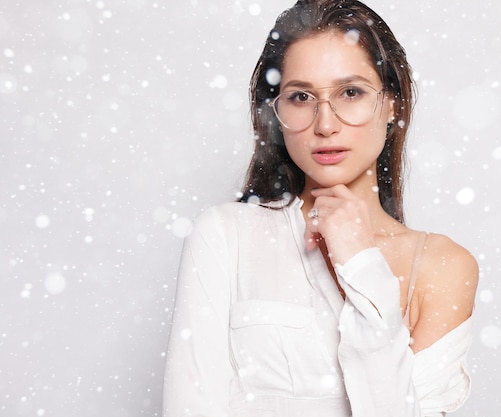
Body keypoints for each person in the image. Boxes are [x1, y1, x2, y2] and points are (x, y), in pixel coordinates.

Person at [163, 1, 478, 416]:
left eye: (351, 92)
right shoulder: (225, 234)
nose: (325, 123)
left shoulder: (442, 266)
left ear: (392, 106)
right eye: (301, 96)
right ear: (276, 113)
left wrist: (363, 264)